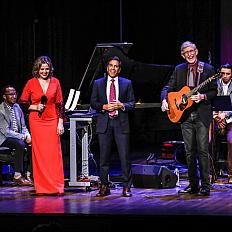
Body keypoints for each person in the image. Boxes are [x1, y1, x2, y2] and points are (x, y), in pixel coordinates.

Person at [161, 41, 218, 196]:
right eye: (186, 52)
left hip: (202, 115)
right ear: (182, 55)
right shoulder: (179, 69)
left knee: (203, 151)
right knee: (189, 152)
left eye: (191, 51)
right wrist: (164, 100)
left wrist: (204, 96)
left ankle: (205, 185)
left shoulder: (207, 69)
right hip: (185, 116)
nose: (189, 54)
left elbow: (215, 91)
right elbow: (167, 88)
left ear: (197, 51)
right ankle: (193, 185)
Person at [19, 55, 64, 195]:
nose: (44, 71)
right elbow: (22, 102)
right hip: (37, 122)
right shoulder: (31, 83)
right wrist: (34, 107)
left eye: (46, 69)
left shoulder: (56, 82)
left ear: (50, 69)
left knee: (53, 154)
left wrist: (60, 122)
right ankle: (42, 188)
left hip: (52, 121)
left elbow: (60, 105)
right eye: (42, 69)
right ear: (37, 70)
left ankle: (56, 187)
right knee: (39, 154)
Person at [90, 56, 135, 197]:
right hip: (105, 123)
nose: (113, 68)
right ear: (107, 67)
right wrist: (103, 106)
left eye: (116, 66)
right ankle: (104, 186)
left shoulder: (127, 83)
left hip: (121, 123)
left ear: (119, 69)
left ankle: (126, 186)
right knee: (103, 158)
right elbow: (93, 102)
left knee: (124, 157)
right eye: (111, 65)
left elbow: (132, 103)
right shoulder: (98, 83)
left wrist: (122, 105)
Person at [0, 85, 33, 186]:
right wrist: (22, 137)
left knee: (34, 142)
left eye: (15, 94)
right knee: (20, 144)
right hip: (4, 138)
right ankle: (17, 176)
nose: (14, 96)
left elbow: (23, 126)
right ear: (4, 96)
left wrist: (28, 135)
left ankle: (29, 174)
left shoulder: (17, 107)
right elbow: (5, 131)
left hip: (17, 136)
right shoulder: (1, 110)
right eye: (10, 94)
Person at [213, 63, 232, 183]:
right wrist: (216, 116)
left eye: (228, 74)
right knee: (207, 141)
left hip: (230, 119)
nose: (225, 76)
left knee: (231, 141)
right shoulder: (214, 84)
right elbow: (210, 101)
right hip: (215, 118)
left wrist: (225, 115)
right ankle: (211, 173)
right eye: (223, 73)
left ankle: (231, 173)